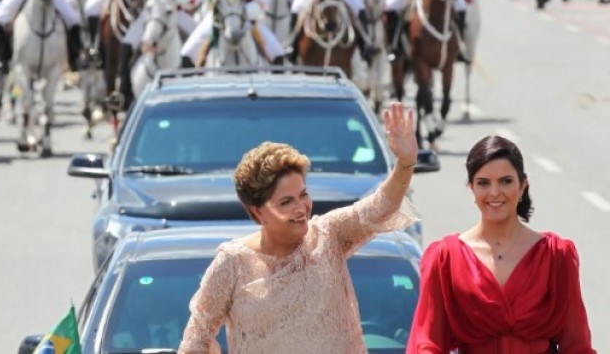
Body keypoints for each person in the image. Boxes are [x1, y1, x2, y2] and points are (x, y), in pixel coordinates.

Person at [179, 102, 419, 353]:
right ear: (257, 212)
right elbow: (195, 340)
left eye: (303, 195)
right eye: (286, 202)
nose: (301, 208)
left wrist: (405, 163)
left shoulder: (330, 234)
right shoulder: (232, 264)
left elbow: (381, 207)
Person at [407, 135, 595, 352]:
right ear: (471, 188)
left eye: (505, 181)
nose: (494, 192)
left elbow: (577, 344)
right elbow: (426, 342)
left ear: (523, 185)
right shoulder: (445, 258)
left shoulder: (555, 255)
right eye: (483, 183)